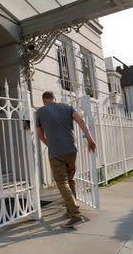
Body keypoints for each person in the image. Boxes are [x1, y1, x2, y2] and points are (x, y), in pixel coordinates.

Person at [36, 91, 96, 228]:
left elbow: (40, 135)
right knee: (70, 179)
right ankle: (71, 210)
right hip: (71, 150)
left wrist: (49, 144)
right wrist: (90, 140)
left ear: (44, 100)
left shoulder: (40, 112)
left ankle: (75, 215)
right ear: (54, 99)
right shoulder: (67, 107)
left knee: (62, 182)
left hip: (56, 153)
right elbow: (81, 121)